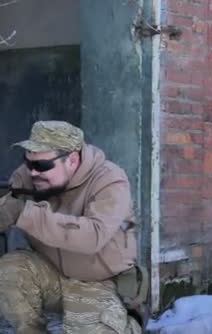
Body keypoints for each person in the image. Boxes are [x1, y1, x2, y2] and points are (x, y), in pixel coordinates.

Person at [0, 121, 146, 333]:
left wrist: (26, 213)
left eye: (42, 165)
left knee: (89, 327)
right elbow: (7, 210)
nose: (32, 172)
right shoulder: (28, 176)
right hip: (51, 274)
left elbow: (93, 236)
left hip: (100, 280)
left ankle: (129, 323)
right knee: (9, 270)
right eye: (28, 162)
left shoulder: (110, 180)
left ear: (72, 160)